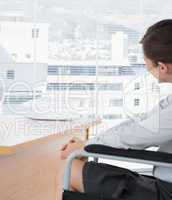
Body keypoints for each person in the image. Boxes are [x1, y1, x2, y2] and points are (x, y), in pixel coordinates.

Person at [60, 19, 172, 200]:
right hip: (162, 183)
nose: (146, 68)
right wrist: (92, 143)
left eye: (147, 63)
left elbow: (140, 135)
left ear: (162, 67)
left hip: (166, 192)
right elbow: (142, 122)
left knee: (69, 168)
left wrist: (86, 146)